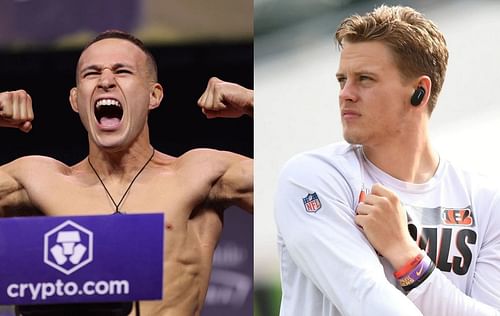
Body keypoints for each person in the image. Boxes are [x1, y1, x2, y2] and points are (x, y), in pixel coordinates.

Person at [0, 30, 253, 316]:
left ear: (153, 96)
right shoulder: (37, 180)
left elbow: (300, 183)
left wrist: (253, 103)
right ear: (75, 100)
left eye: (122, 71)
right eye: (91, 74)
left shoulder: (198, 174)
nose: (106, 81)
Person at [274, 5, 500, 316]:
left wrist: (407, 256)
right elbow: (367, 300)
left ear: (419, 92)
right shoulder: (314, 177)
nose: (345, 94)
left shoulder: (486, 201)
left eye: (364, 79)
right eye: (342, 80)